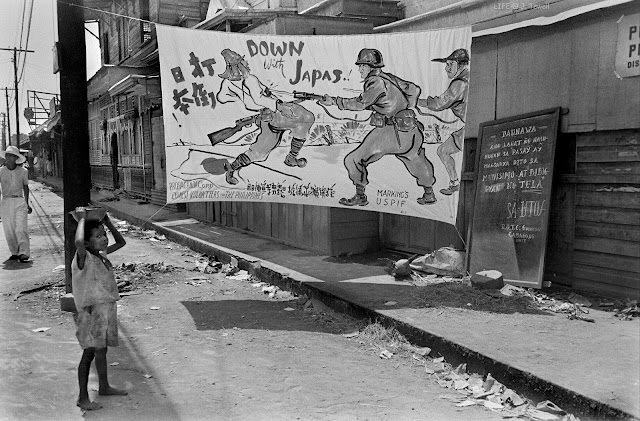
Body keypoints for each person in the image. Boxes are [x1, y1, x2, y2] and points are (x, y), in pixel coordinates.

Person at [318, 48, 437, 206]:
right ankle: (429, 194)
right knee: (415, 158)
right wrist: (404, 105)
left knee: (353, 159)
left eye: (363, 66)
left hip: (392, 134)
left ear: (372, 67)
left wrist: (334, 101)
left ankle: (360, 196)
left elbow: (360, 103)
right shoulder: (388, 78)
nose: (360, 69)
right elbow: (413, 89)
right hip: (412, 130)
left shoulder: (375, 81)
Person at [216, 48, 315, 185]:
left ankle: (232, 169)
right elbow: (258, 99)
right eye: (243, 61)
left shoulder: (235, 82)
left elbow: (222, 98)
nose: (246, 63)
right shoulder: (250, 79)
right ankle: (291, 157)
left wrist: (241, 99)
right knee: (307, 118)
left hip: (269, 115)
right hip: (274, 113)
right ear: (239, 65)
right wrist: (280, 107)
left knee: (258, 153)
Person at [72, 208, 128, 410]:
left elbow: (121, 242)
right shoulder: (83, 257)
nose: (104, 238)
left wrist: (108, 222)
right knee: (89, 353)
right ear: (87, 242)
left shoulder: (100, 254)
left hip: (105, 310)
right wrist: (82, 219)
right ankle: (82, 397)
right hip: (90, 313)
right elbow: (78, 242)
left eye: (104, 234)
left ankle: (104, 386)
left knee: (101, 350)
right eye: (98, 236)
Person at [418, 48, 469, 195]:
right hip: (469, 126)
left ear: (461, 65)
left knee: (443, 151)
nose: (446, 68)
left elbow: (439, 103)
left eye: (450, 64)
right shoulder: (465, 79)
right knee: (442, 151)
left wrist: (416, 101)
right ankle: (454, 183)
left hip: (471, 128)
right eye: (446, 64)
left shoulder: (460, 83)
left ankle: (455, 183)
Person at [0, 145, 32, 262]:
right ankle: (14, 252)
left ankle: (24, 252)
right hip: (6, 200)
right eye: (8, 155)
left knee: (21, 227)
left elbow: (25, 187)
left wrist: (27, 203)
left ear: (16, 158)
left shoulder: (23, 171)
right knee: (9, 228)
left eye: (12, 156)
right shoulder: (1, 171)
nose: (10, 158)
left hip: (19, 200)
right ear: (6, 157)